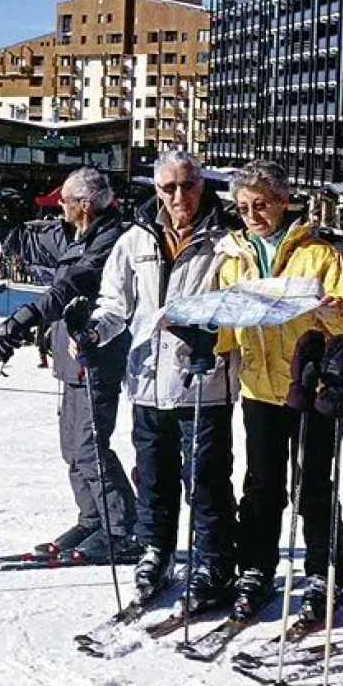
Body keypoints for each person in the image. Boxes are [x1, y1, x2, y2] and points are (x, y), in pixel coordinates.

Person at [82, 151, 237, 604]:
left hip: (203, 382)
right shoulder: (134, 240)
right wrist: (93, 331)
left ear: (202, 186)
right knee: (153, 477)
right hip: (148, 379)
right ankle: (158, 549)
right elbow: (114, 305)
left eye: (187, 185)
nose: (178, 196)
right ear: (156, 190)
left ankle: (213, 559)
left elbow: (238, 306)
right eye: (168, 188)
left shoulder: (225, 242)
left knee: (206, 478)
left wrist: (212, 333)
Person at [216, 160, 343, 620]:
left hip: (310, 387)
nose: (252, 214)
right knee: (262, 484)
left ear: (283, 201)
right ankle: (257, 566)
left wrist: (331, 309)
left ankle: (325, 570)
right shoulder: (234, 258)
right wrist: (210, 344)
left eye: (261, 204)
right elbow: (229, 319)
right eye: (243, 208)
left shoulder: (318, 255)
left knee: (314, 484)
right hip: (259, 387)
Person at [0, 166, 139, 564]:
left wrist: (21, 319)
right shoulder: (76, 234)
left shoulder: (111, 242)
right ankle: (93, 518)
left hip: (95, 356)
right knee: (72, 449)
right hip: (68, 363)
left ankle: (122, 530)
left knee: (91, 447)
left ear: (84, 205)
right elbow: (34, 246)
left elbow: (71, 285)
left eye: (65, 202)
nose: (60, 207)